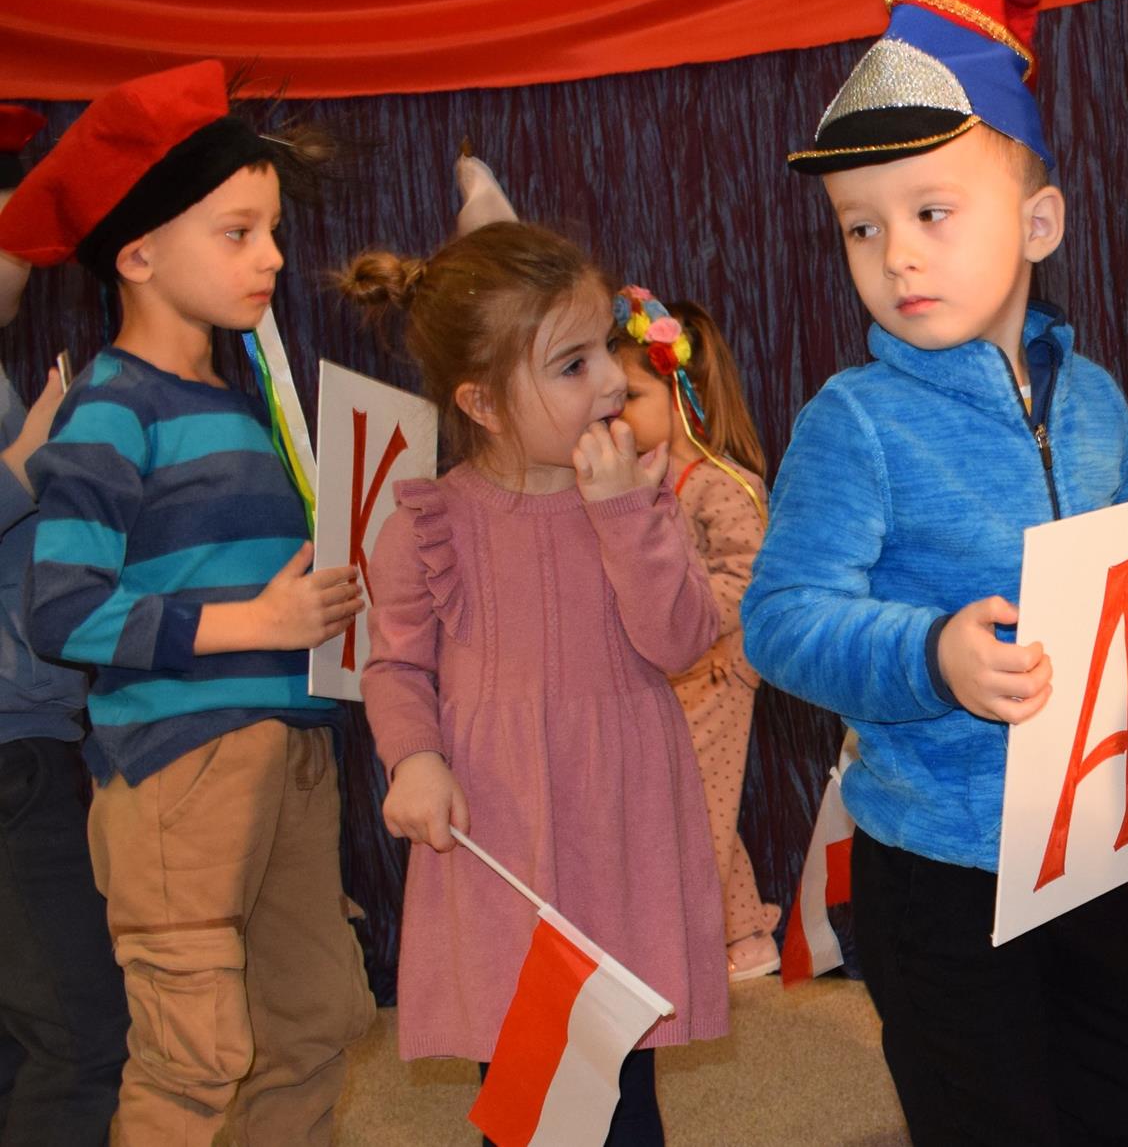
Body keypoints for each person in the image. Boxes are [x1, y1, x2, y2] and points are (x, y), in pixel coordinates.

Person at [743, 0, 1128, 1145]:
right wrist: (931, 653)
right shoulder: (854, 420)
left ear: (1037, 222)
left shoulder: (1097, 401)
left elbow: (1114, 590)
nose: (895, 254)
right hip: (935, 857)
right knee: (990, 1115)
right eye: (859, 229)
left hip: (1080, 836)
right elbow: (780, 618)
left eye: (929, 211)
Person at [1, 60, 374, 1145]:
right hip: (180, 769)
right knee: (192, 1051)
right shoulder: (111, 409)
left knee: (310, 1023)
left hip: (288, 748)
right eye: (238, 232)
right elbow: (61, 609)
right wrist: (255, 623)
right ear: (138, 253)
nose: (272, 257)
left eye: (273, 232)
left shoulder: (244, 406)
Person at [349, 221, 726, 1144]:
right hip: (505, 829)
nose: (610, 381)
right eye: (572, 365)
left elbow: (682, 638)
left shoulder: (640, 493)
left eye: (606, 349)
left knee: (623, 1083)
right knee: (530, 1092)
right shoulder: (431, 523)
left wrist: (623, 515)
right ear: (481, 402)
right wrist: (414, 758)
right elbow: (396, 664)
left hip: (621, 822)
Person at [0, 104, 125, 1144]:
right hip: (10, 746)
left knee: (28, 1041)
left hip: (32, 730)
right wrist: (24, 465)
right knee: (82, 1042)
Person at [613, 286, 781, 979]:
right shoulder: (637, 485)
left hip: (715, 674)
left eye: (630, 396)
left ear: (682, 393)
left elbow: (748, 574)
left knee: (696, 811)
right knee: (692, 803)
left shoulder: (723, 484)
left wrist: (689, 621)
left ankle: (685, 947)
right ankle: (747, 937)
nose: (615, 411)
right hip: (667, 675)